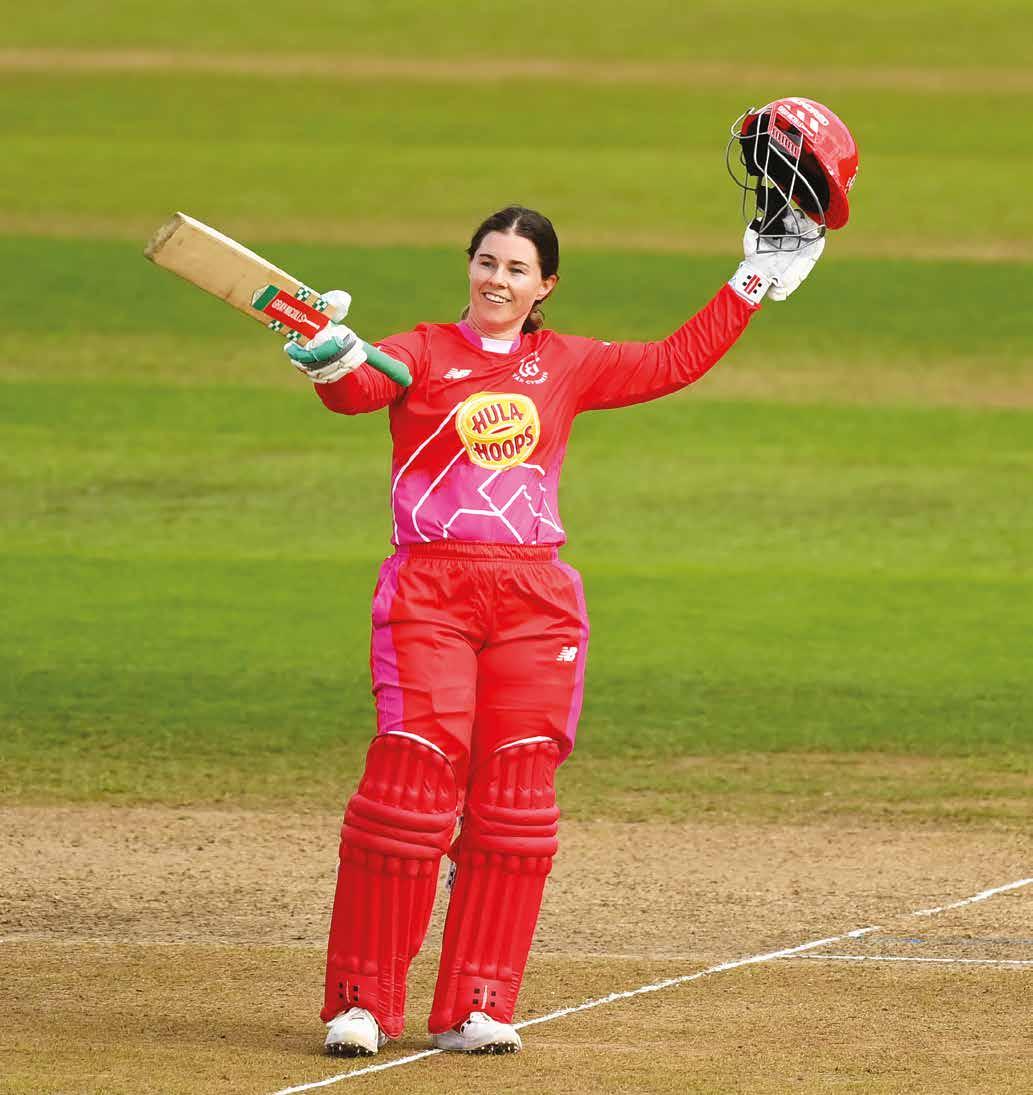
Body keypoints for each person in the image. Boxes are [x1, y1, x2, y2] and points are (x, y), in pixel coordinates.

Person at [285, 98, 856, 1059]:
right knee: (409, 784)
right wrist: (327, 361)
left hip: (534, 597)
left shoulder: (568, 365)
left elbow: (672, 361)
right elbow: (356, 392)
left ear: (545, 284)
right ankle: (362, 1003)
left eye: (516, 268)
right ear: (468, 268)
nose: (496, 279)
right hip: (430, 590)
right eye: (485, 262)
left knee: (515, 802)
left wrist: (752, 278)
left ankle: (474, 1004)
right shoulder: (417, 349)